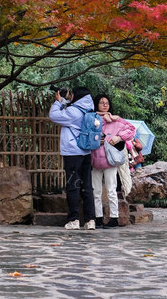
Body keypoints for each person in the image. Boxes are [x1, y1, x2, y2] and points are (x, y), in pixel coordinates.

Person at [49, 86, 97, 230]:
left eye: (72, 95)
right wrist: (64, 101)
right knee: (87, 187)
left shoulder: (73, 112)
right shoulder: (89, 110)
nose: (70, 97)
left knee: (73, 186)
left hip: (72, 154)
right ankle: (90, 220)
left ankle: (74, 220)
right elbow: (69, 109)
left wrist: (58, 102)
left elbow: (54, 115)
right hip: (86, 153)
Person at [90, 94, 135, 228]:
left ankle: (114, 218)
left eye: (107, 103)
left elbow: (132, 129)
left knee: (111, 190)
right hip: (95, 159)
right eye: (101, 102)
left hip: (110, 160)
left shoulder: (116, 121)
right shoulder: (91, 119)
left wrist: (119, 137)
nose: (104, 105)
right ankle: (98, 218)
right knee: (96, 191)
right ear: (96, 104)